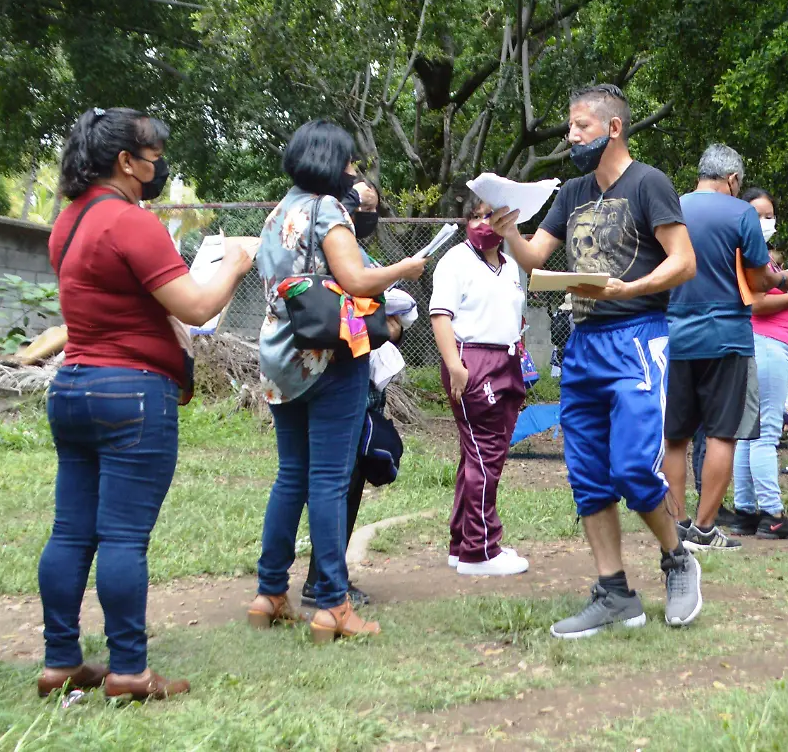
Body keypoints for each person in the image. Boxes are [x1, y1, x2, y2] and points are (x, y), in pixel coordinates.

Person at [40, 107, 257, 701]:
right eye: (154, 157)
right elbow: (194, 306)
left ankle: (60, 660)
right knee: (123, 539)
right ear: (125, 163)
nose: (158, 166)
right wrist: (236, 264)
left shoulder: (68, 223)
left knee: (70, 532)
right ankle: (130, 670)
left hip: (74, 385)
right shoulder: (132, 224)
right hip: (133, 393)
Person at [490, 83, 702, 638]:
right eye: (569, 126)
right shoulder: (574, 191)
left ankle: (678, 559)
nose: (571, 136)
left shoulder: (648, 183)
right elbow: (536, 259)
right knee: (588, 476)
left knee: (633, 467)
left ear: (612, 128)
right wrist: (509, 228)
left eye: (580, 126)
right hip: (583, 343)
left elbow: (684, 263)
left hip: (637, 336)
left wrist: (628, 292)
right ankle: (614, 594)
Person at [249, 121, 422, 643]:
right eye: (348, 163)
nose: (354, 173)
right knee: (328, 481)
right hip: (329, 357)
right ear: (330, 163)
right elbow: (356, 279)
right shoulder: (328, 210)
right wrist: (404, 268)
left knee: (291, 477)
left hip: (282, 357)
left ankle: (270, 592)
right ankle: (333, 605)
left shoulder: (277, 213)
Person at [660, 146, 776, 548]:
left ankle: (677, 524)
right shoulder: (741, 213)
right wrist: (781, 282)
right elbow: (759, 281)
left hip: (673, 336)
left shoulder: (670, 206)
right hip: (727, 338)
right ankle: (705, 529)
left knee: (674, 436)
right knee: (722, 435)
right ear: (732, 180)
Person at [430, 197, 531, 576]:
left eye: (491, 215)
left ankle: (462, 542)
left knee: (477, 455)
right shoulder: (455, 261)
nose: (483, 222)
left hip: (507, 360)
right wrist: (456, 365)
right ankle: (480, 550)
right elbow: (440, 314)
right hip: (473, 362)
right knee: (486, 455)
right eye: (475, 215)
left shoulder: (509, 265)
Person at [738, 220, 788, 540]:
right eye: (761, 213)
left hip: (758, 343)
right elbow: (757, 303)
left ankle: (745, 511)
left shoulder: (756, 255)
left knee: (748, 432)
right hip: (768, 345)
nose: (768, 221)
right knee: (765, 433)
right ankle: (772, 514)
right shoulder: (750, 254)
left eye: (771, 213)